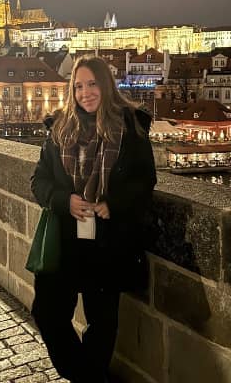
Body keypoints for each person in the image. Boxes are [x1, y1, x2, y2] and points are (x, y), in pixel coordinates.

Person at [30, 55, 157, 383]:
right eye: (78, 86)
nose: (85, 93)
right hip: (66, 240)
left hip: (108, 242)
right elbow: (39, 181)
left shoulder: (131, 127)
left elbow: (145, 181)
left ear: (106, 85)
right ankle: (86, 376)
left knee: (102, 323)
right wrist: (64, 200)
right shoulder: (60, 128)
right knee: (47, 312)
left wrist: (113, 203)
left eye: (92, 84)